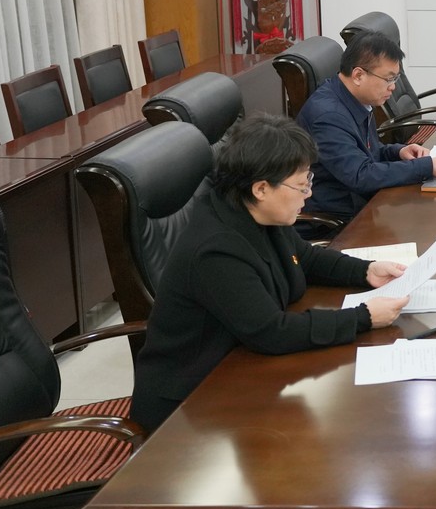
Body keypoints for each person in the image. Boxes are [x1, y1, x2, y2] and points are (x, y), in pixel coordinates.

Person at [130, 115, 409, 432]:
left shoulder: (256, 211)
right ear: (261, 188)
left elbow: (305, 257)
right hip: (188, 407)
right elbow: (271, 332)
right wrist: (363, 317)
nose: (309, 194)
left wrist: (366, 270)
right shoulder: (216, 250)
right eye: (301, 185)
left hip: (241, 368)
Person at [298, 29, 436, 227]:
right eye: (388, 79)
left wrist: (398, 152)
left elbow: (366, 152)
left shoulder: (354, 98)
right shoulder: (328, 117)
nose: (393, 87)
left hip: (363, 205)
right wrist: (429, 167)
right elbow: (361, 175)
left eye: (395, 79)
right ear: (358, 75)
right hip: (337, 222)